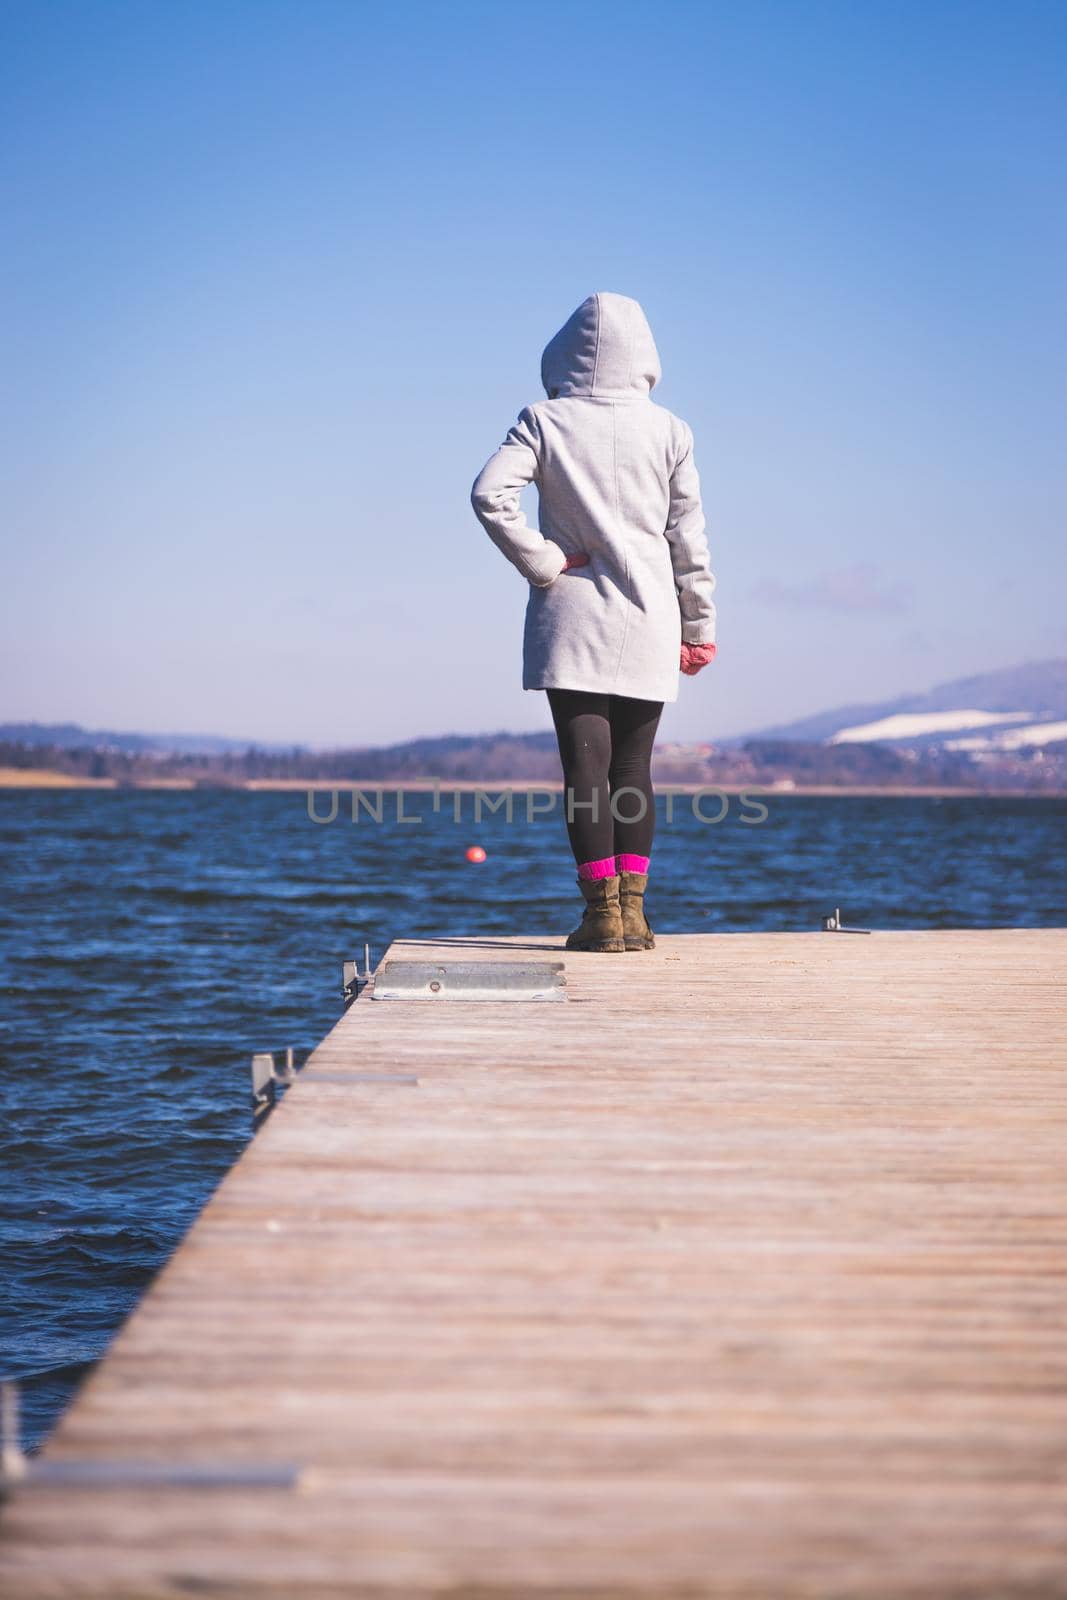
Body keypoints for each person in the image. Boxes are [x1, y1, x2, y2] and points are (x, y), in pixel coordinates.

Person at [470, 291, 717, 953]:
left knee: (586, 769)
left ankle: (600, 916)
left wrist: (544, 562)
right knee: (633, 770)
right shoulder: (670, 430)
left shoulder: (543, 420)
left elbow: (488, 494)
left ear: (562, 353)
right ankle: (634, 915)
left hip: (572, 611)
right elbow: (686, 538)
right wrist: (698, 625)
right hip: (651, 613)